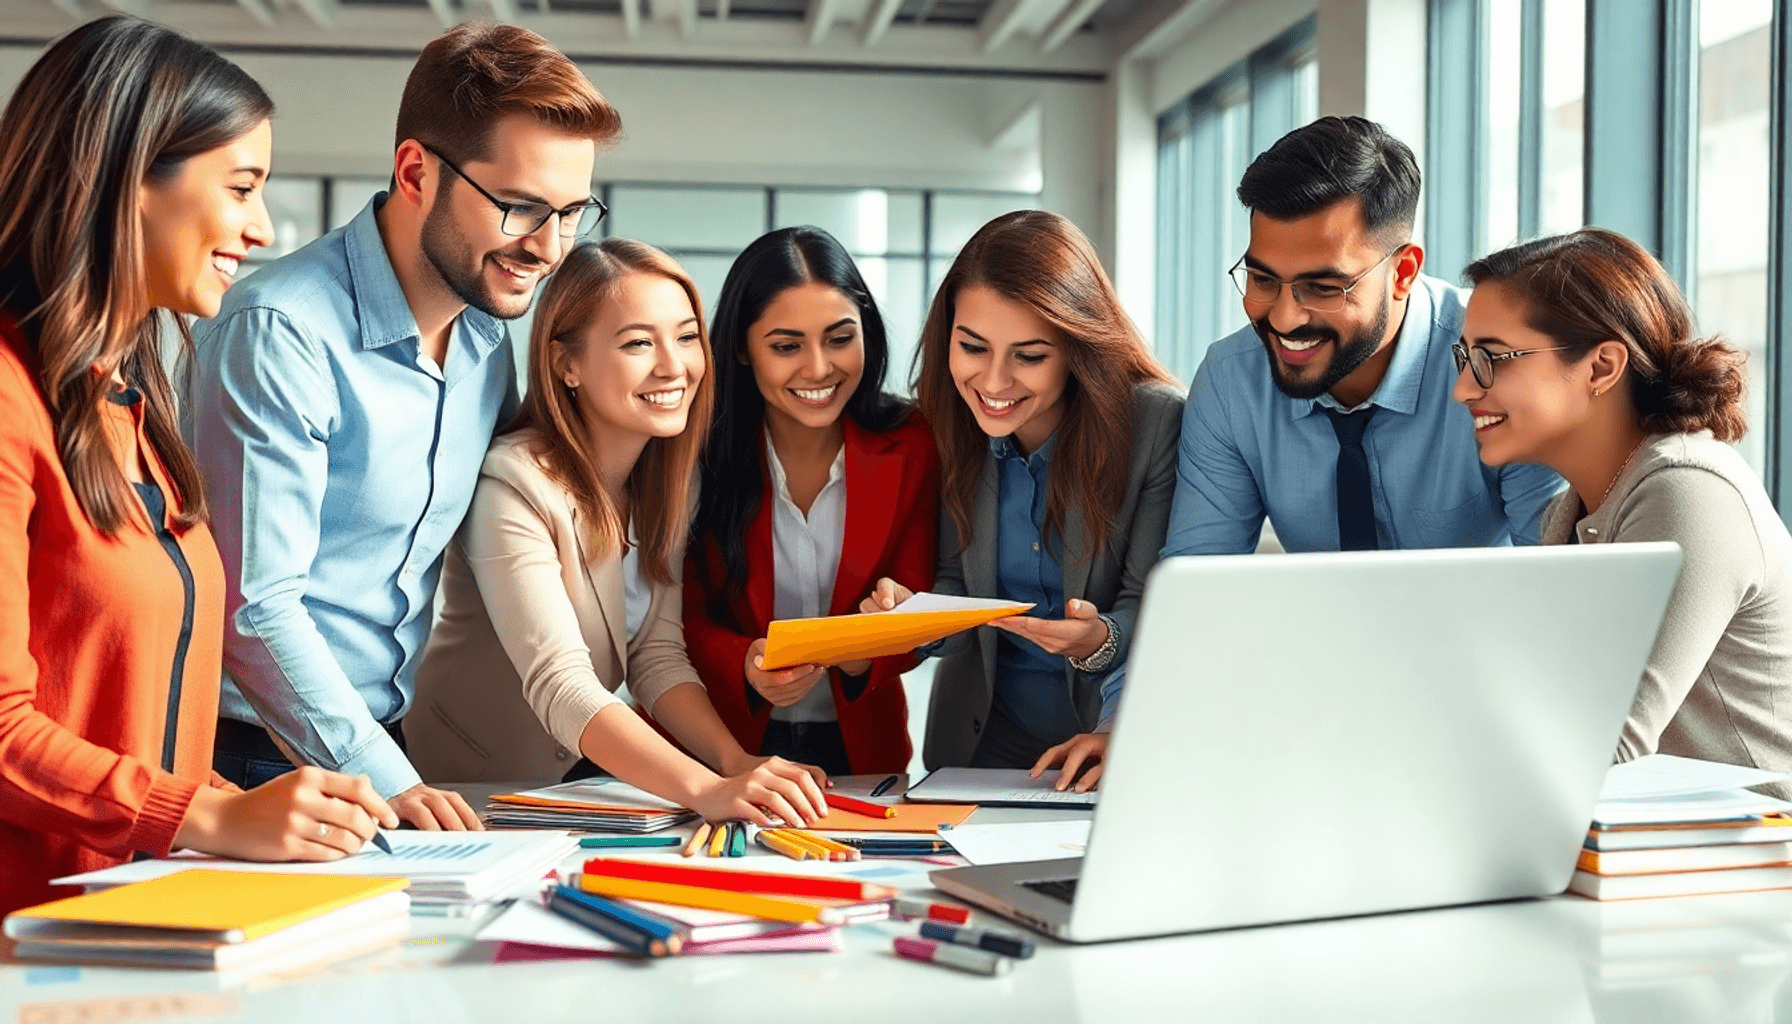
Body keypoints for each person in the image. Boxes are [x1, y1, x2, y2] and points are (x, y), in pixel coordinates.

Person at [0, 17, 395, 916]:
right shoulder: (8, 395)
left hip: (137, 918)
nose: (260, 227)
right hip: (32, 938)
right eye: (242, 186)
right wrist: (205, 816)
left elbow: (128, 726)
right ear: (128, 179)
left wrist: (250, 807)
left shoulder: (131, 405)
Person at [184, 24, 621, 828]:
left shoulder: (487, 339)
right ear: (416, 171)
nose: (550, 248)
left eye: (571, 213)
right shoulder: (281, 330)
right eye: (522, 207)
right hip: (247, 758)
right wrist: (388, 780)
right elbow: (254, 607)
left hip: (382, 746)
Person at [407, 241, 828, 825]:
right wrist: (705, 789)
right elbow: (561, 682)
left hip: (571, 786)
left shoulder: (670, 478)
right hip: (468, 783)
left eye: (686, 337)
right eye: (637, 342)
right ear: (566, 364)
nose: (673, 366)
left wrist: (733, 760)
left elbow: (655, 654)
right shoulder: (513, 482)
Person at [1453, 229, 1792, 782]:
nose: (1464, 389)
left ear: (1602, 367)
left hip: (1758, 851)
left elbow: (1610, 742)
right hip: (1656, 839)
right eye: (1464, 359)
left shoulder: (1690, 492)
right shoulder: (1569, 515)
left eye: (1491, 359)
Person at [864, 211, 1184, 791]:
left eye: (1029, 356)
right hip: (978, 748)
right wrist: (914, 618)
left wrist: (1100, 639)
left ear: (1077, 349)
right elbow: (958, 588)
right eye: (972, 347)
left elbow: (1161, 604)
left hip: (1107, 747)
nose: (992, 381)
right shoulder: (946, 423)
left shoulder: (1155, 424)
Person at [1162, 116, 1562, 557]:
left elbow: (1556, 582)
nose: (1285, 318)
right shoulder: (1230, 382)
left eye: (1323, 288)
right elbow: (1201, 582)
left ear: (1403, 272)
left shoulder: (1502, 363)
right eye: (1263, 280)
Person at [683, 228, 939, 777]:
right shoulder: (695, 448)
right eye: (786, 346)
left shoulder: (914, 444)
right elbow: (674, 613)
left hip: (860, 749)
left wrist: (878, 638)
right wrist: (745, 663)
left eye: (839, 338)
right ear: (742, 350)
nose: (819, 368)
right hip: (718, 744)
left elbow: (925, 599)